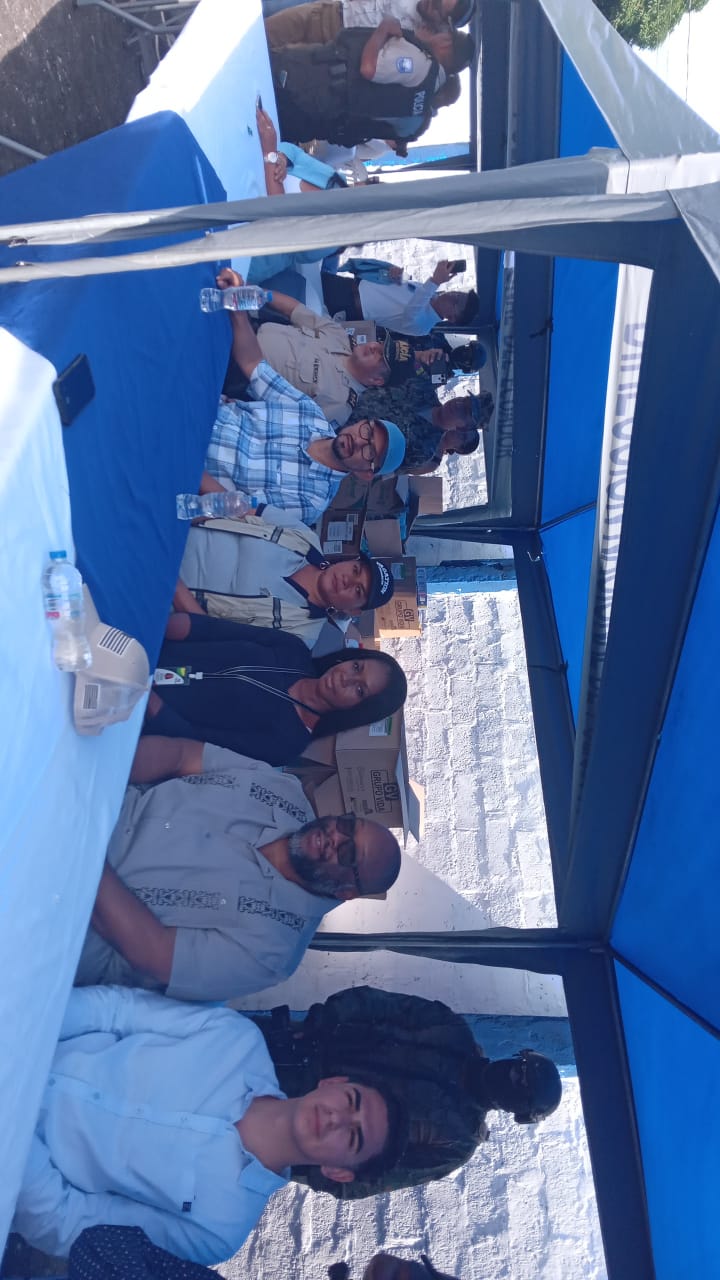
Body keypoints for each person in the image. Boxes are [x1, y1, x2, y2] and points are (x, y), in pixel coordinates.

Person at [12, 987, 405, 1262]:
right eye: (351, 1101)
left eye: (354, 1137)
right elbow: (116, 1009)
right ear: (333, 1083)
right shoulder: (237, 1039)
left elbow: (67, 1224)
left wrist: (12, 1126)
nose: (338, 1118)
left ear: (337, 1172)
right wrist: (24, 1029)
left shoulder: (219, 1230)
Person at [75, 751, 402, 1000]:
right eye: (347, 825)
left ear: (347, 892)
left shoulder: (273, 952)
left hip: (75, 913)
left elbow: (154, 953)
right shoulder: (284, 790)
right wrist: (96, 771)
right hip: (93, 803)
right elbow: (180, 755)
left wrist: (84, 854)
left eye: (348, 853)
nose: (335, 837)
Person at [252, 985, 562, 1199]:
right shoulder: (452, 1031)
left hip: (297, 1129)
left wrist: (306, 1166)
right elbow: (375, 1003)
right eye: (519, 1067)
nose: (511, 1074)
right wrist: (320, 1022)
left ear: (517, 1110)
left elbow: (371, 1179)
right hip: (291, 1048)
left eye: (520, 1085)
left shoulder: (456, 1143)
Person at [202, 271, 406, 525]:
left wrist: (190, 464)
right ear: (362, 422)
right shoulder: (309, 413)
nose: (359, 440)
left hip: (189, 463)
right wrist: (239, 306)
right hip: (197, 406)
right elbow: (255, 366)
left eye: (370, 451)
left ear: (366, 474)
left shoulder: (310, 502)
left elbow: (234, 509)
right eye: (367, 431)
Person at [144, 616, 408, 762]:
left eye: (359, 690)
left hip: (142, 712)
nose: (345, 678)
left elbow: (202, 742)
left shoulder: (288, 742)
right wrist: (156, 626)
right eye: (356, 667)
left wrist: (151, 704)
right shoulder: (293, 649)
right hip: (148, 650)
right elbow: (211, 629)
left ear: (358, 711)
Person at [175, 512, 395, 648]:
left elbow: (213, 637)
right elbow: (236, 507)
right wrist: (182, 518)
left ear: (353, 611)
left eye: (358, 591)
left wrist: (172, 584)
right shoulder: (304, 537)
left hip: (167, 593)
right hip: (175, 529)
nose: (348, 580)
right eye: (355, 569)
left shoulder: (301, 635)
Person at [270, 19, 474, 148]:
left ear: (446, 44)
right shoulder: (421, 108)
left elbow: (368, 69)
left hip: (313, 78)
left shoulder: (421, 64)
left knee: (265, 76)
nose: (439, 31)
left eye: (444, 32)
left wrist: (384, 28)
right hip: (325, 110)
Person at [223, 283, 392, 426]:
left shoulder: (339, 405)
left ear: (377, 380)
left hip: (232, 372)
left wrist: (239, 407)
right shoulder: (340, 336)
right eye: (380, 344)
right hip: (242, 326)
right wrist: (254, 293)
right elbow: (293, 309)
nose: (373, 347)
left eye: (381, 357)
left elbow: (286, 423)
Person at [350, 384, 493, 472]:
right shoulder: (424, 390)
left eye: (464, 411)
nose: (458, 404)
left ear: (464, 427)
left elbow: (372, 465)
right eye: (463, 400)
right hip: (346, 396)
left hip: (347, 439)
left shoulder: (424, 449)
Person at [322, 257, 478, 336]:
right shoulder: (428, 292)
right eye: (458, 293)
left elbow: (411, 313)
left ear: (451, 318)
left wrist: (435, 281)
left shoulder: (424, 327)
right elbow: (402, 288)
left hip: (347, 305)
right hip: (350, 285)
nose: (452, 295)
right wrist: (396, 275)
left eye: (456, 301)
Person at [264, 0, 475, 45]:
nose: (431, 4)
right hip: (327, 11)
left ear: (443, 24)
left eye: (437, 8)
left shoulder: (418, 42)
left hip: (331, 45)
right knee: (264, 33)